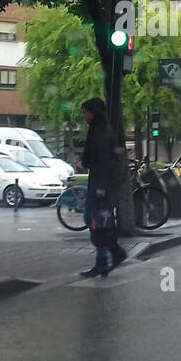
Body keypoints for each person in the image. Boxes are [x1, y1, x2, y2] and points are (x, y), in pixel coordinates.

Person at [78, 97, 127, 278]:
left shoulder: (102, 131)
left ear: (94, 112)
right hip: (99, 181)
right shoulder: (98, 129)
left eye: (85, 112)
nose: (84, 116)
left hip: (101, 184)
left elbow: (105, 160)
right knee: (98, 223)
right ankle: (107, 258)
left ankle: (109, 257)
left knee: (96, 222)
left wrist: (101, 187)